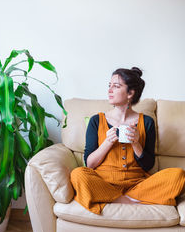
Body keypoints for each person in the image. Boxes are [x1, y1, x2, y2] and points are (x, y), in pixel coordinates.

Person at [70, 67, 185, 215]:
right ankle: (125, 200)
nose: (110, 90)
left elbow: (148, 165)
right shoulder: (96, 120)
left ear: (130, 93)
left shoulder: (147, 122)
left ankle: (118, 198)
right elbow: (90, 164)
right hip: (103, 182)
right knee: (78, 174)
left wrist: (136, 143)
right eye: (109, 85)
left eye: (116, 86)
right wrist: (107, 142)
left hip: (137, 185)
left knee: (179, 175)